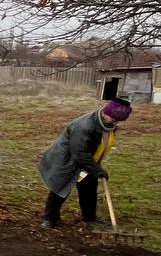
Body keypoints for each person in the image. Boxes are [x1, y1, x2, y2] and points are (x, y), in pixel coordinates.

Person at [37, 98, 132, 230]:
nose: (116, 123)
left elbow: (96, 146)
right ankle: (49, 219)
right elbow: (80, 153)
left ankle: (89, 218)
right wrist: (97, 169)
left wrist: (95, 167)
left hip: (86, 162)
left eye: (118, 121)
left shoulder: (108, 124)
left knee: (89, 186)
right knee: (61, 188)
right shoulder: (85, 126)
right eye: (114, 119)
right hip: (67, 160)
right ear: (105, 112)